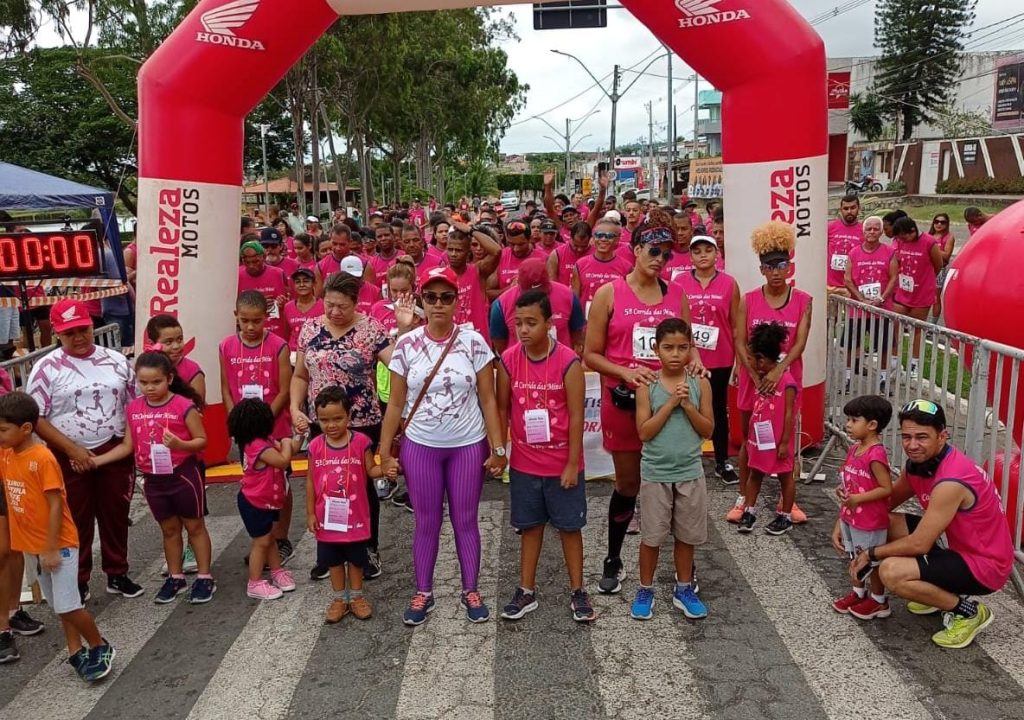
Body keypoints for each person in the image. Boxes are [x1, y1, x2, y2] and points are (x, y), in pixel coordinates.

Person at [380, 266, 507, 626]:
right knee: (427, 521)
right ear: (421, 300)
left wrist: (498, 449)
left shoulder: (474, 342)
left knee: (466, 520)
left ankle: (471, 589)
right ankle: (423, 591)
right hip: (421, 446)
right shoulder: (406, 345)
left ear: (457, 301)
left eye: (446, 297)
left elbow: (488, 399)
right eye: (431, 297)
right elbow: (394, 404)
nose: (438, 304)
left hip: (467, 444)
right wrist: (385, 452)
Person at [582, 224, 696, 594]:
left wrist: (695, 364)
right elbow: (590, 354)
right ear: (634, 249)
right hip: (625, 401)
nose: (659, 259)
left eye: (666, 254)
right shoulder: (608, 293)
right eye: (652, 250)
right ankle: (614, 558)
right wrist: (625, 372)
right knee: (629, 484)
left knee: (677, 481)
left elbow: (688, 345)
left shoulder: (676, 294)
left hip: (669, 403)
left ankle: (683, 570)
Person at [851, 400, 1014, 649]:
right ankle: (935, 591)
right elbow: (886, 503)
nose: (912, 445)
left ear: (943, 436)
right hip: (957, 548)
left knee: (891, 571)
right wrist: (848, 521)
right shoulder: (919, 464)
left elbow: (919, 544)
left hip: (985, 566)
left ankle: (969, 612)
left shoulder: (952, 479)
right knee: (885, 523)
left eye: (922, 437)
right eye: (906, 437)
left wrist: (870, 553)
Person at [26, 299, 141, 604]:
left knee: (116, 513)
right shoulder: (46, 369)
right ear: (58, 336)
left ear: (92, 326)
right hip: (67, 456)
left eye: (83, 329)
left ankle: (118, 572)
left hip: (114, 450)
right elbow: (35, 416)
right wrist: (73, 450)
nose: (78, 338)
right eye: (69, 333)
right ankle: (78, 578)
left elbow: (134, 404)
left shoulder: (116, 360)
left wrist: (127, 446)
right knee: (75, 519)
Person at [0, 392, 115, 681]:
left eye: (3, 430)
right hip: (36, 549)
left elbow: (55, 505)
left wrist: (51, 547)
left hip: (58, 545)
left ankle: (100, 645)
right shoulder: (7, 454)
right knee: (59, 606)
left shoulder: (41, 458)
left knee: (68, 605)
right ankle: (75, 650)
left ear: (26, 429)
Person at [495, 290, 594, 623]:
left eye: (531, 323)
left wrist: (571, 463)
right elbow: (502, 409)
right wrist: (501, 453)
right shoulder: (509, 360)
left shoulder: (568, 362)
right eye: (518, 323)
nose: (524, 330)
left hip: (561, 465)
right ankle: (526, 590)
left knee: (569, 528)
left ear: (549, 324)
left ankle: (578, 590)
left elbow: (578, 416)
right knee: (530, 528)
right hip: (524, 464)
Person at [291, 272, 394, 580]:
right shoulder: (309, 328)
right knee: (323, 484)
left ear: (356, 303)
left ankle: (367, 549)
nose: (334, 312)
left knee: (359, 487)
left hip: (361, 422)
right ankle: (330, 549)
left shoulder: (371, 330)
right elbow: (299, 375)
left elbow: (400, 367)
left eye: (342, 307)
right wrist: (296, 409)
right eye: (329, 305)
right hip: (320, 422)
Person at [93, 351, 214, 604]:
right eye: (143, 382)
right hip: (153, 479)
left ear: (169, 378)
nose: (149, 388)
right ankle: (175, 576)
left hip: (183, 475)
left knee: (194, 527)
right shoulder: (134, 408)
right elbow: (128, 446)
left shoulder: (183, 405)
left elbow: (202, 440)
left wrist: (180, 443)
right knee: (169, 530)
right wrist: (95, 461)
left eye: (156, 382)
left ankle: (204, 577)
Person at [631, 318, 712, 621]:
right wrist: (670, 404)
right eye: (668, 348)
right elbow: (644, 432)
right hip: (656, 473)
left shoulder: (700, 383)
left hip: (689, 471)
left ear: (691, 348)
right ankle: (645, 588)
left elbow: (708, 429)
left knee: (686, 536)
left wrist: (688, 405)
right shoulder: (648, 385)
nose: (675, 354)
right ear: (656, 349)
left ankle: (684, 587)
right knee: (652, 536)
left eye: (682, 347)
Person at [731, 221, 811, 526]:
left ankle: (787, 500)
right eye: (770, 266)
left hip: (786, 382)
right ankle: (742, 498)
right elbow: (739, 341)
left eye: (782, 264)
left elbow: (800, 343)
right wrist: (753, 375)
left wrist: (779, 370)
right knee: (747, 442)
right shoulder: (748, 299)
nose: (777, 271)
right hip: (753, 380)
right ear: (762, 268)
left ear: (789, 266)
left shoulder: (803, 300)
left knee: (785, 441)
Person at [219, 291, 293, 564]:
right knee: (255, 483)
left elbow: (284, 391)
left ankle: (282, 537)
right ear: (236, 317)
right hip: (246, 431)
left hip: (275, 426)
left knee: (280, 483)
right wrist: (238, 425)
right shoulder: (226, 346)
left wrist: (261, 423)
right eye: (245, 321)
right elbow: (227, 389)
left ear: (266, 319)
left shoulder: (278, 345)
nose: (250, 327)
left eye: (257, 321)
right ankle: (263, 540)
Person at [306, 387, 391, 624]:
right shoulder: (315, 447)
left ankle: (356, 596)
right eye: (324, 420)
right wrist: (311, 512)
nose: (331, 425)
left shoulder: (361, 442)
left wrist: (386, 467)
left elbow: (371, 470)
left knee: (355, 559)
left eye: (337, 418)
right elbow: (311, 481)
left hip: (355, 515)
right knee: (333, 560)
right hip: (327, 517)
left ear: (349, 416)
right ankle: (339, 599)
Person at [673, 235, 740, 485]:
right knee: (683, 405)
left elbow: (735, 324)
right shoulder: (679, 282)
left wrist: (740, 362)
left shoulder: (729, 283)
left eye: (708, 250)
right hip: (686, 358)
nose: (703, 255)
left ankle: (722, 461)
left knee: (718, 410)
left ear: (716, 255)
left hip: (720, 357)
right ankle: (685, 459)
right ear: (690, 256)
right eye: (697, 251)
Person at [830, 395, 893, 620]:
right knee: (854, 555)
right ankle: (858, 593)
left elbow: (886, 488)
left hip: (870, 520)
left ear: (872, 425)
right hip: (851, 515)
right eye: (848, 419)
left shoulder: (876, 454)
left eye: (854, 419)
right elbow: (851, 476)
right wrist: (842, 488)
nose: (848, 424)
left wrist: (860, 499)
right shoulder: (854, 449)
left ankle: (878, 600)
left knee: (872, 561)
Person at [227, 399, 296, 600]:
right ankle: (255, 582)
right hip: (254, 502)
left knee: (270, 538)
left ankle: (276, 571)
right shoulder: (258, 446)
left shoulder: (263, 440)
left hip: (267, 499)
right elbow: (283, 461)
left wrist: (294, 438)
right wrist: (286, 442)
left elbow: (286, 448)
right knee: (262, 541)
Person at [737, 322, 799, 536]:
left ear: (762, 359)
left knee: (784, 476)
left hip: (780, 439)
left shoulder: (787, 382)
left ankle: (786, 516)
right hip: (760, 437)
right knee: (755, 472)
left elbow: (790, 414)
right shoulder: (761, 379)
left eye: (753, 359)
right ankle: (749, 510)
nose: (750, 363)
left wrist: (784, 442)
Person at [491, 258, 586, 355]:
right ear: (518, 283)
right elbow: (499, 342)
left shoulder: (568, 296)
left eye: (541, 291)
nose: (536, 297)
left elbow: (577, 333)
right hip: (520, 365)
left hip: (560, 364)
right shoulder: (501, 304)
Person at [844, 216, 894, 391]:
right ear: (863, 232)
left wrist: (881, 298)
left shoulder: (889, 252)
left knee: (884, 347)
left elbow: (894, 278)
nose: (872, 232)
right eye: (868, 229)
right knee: (852, 345)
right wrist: (861, 300)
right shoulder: (854, 253)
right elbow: (847, 280)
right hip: (857, 309)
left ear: (881, 231)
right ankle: (848, 379)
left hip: (882, 309)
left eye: (875, 229)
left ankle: (883, 381)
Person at [888, 216, 942, 381]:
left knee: (916, 329)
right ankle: (895, 362)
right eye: (899, 238)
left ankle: (914, 364)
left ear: (913, 231)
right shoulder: (899, 242)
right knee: (895, 325)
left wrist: (925, 279)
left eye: (904, 236)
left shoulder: (928, 242)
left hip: (922, 292)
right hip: (903, 291)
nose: (902, 240)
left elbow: (938, 264)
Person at [445, 220, 501, 342]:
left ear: (468, 252)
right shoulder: (441, 276)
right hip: (451, 342)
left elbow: (496, 251)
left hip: (478, 341)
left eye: (459, 250)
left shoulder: (478, 271)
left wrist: (471, 231)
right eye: (450, 249)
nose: (453, 254)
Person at [572, 217, 634, 308]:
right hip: (586, 321)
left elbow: (628, 300)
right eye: (599, 235)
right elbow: (575, 300)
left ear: (617, 239)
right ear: (593, 238)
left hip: (613, 320)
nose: (603, 239)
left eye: (609, 236)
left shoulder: (627, 267)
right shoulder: (580, 264)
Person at [238, 238, 289, 340]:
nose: (251, 266)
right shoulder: (237, 276)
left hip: (276, 332)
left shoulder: (278, 273)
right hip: (250, 334)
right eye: (247, 262)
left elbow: (290, 301)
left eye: (256, 261)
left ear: (264, 257)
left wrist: (284, 303)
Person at [492, 220, 547, 299]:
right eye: (511, 244)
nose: (516, 249)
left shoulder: (543, 258)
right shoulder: (500, 257)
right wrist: (510, 289)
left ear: (530, 239)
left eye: (521, 244)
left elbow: (552, 289)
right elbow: (487, 293)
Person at [283, 267, 325, 358]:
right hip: (293, 354)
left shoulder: (324, 305)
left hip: (317, 353)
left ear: (314, 283)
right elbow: (286, 332)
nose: (302, 284)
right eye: (298, 282)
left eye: (306, 281)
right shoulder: (288, 307)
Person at [827, 195, 863, 298]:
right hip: (831, 287)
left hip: (852, 288)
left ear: (859, 208)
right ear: (841, 210)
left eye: (853, 208)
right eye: (846, 208)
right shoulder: (831, 228)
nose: (849, 211)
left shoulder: (864, 231)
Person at [547, 220, 593, 287]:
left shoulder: (596, 254)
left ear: (590, 240)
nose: (579, 249)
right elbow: (551, 282)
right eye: (576, 245)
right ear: (570, 238)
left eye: (583, 246)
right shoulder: (557, 254)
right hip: (564, 296)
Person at [929, 213, 955, 321]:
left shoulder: (949, 237)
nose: (939, 224)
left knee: (935, 297)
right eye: (936, 221)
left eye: (942, 222)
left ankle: (933, 324)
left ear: (947, 224)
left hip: (940, 269)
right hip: (927, 268)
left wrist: (932, 249)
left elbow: (947, 255)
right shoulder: (929, 235)